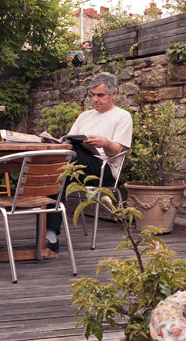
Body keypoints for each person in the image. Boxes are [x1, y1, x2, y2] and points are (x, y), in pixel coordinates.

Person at [44, 72, 133, 253]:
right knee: (56, 163)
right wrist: (50, 139)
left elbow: (118, 150)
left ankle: (50, 233)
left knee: (68, 159)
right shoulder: (85, 116)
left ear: (113, 94)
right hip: (76, 163)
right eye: (93, 95)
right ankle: (49, 232)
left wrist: (104, 143)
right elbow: (66, 144)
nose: (95, 100)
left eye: (100, 95)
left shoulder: (122, 116)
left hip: (103, 169)